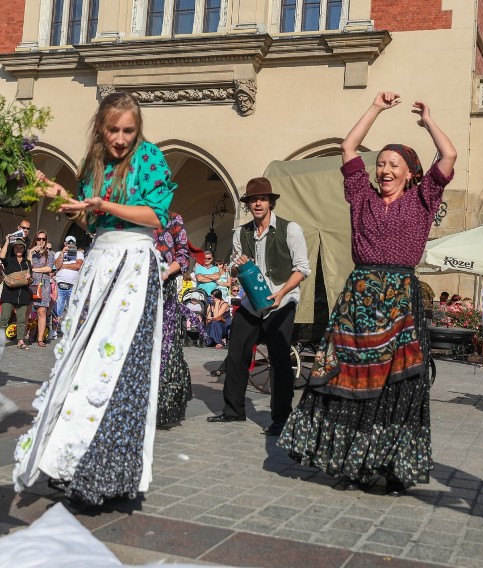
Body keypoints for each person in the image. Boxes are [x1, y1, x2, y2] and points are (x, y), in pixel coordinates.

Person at [279, 92, 457, 497]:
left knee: (399, 385)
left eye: (394, 165)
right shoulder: (361, 196)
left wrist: (428, 120)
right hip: (359, 298)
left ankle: (391, 466)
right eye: (381, 164)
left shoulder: (423, 199)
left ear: (412, 173)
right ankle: (351, 459)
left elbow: (447, 157)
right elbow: (347, 147)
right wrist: (376, 107)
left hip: (400, 299)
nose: (385, 170)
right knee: (349, 378)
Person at [13, 91, 176, 511]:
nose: (121, 139)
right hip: (99, 265)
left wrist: (107, 204)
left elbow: (157, 217)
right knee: (84, 366)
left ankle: (106, 474)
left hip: (134, 269)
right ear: (100, 129)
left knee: (119, 369)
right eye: (113, 130)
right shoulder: (94, 165)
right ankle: (70, 463)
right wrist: (64, 199)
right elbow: (90, 218)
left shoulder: (152, 157)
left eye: (129, 130)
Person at [207, 177, 310, 433]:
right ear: (248, 205)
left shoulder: (290, 229)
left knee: (279, 358)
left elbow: (302, 269)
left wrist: (281, 293)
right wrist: (237, 265)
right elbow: (231, 269)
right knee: (236, 354)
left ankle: (281, 419)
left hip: (281, 301)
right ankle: (233, 411)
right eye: (253, 200)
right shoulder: (242, 232)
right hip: (252, 303)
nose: (258, 203)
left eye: (262, 199)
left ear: (271, 202)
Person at [154, 212, 193, 426]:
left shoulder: (174, 218)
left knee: (165, 345)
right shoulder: (135, 211)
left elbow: (183, 256)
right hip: (136, 284)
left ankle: (164, 406)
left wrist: (165, 272)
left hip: (165, 285)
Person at [0, 237, 33, 349]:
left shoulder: (27, 262)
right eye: (16, 248)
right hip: (9, 293)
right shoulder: (9, 260)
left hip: (23, 294)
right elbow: (1, 256)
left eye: (21, 248)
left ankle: (20, 341)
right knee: (4, 318)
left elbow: (31, 280)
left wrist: (29, 278)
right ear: (13, 249)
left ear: (24, 249)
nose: (18, 250)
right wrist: (7, 241)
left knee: (22, 320)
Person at [29, 230, 55, 347]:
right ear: (35, 239)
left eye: (43, 239)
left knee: (42, 311)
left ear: (46, 240)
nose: (41, 241)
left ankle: (40, 338)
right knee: (28, 311)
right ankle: (25, 335)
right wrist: (31, 252)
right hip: (31, 283)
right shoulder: (31, 252)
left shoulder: (50, 254)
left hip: (43, 284)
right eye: (39, 239)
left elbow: (49, 268)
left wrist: (34, 269)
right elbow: (27, 265)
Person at [53, 235, 84, 324]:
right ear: (65, 243)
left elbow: (78, 266)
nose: (70, 245)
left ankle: (69, 330)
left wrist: (64, 266)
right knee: (57, 309)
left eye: (72, 243)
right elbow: (57, 265)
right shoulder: (58, 253)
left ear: (75, 244)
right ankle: (54, 330)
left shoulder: (79, 253)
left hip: (73, 285)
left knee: (72, 309)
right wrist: (62, 252)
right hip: (59, 284)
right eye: (68, 243)